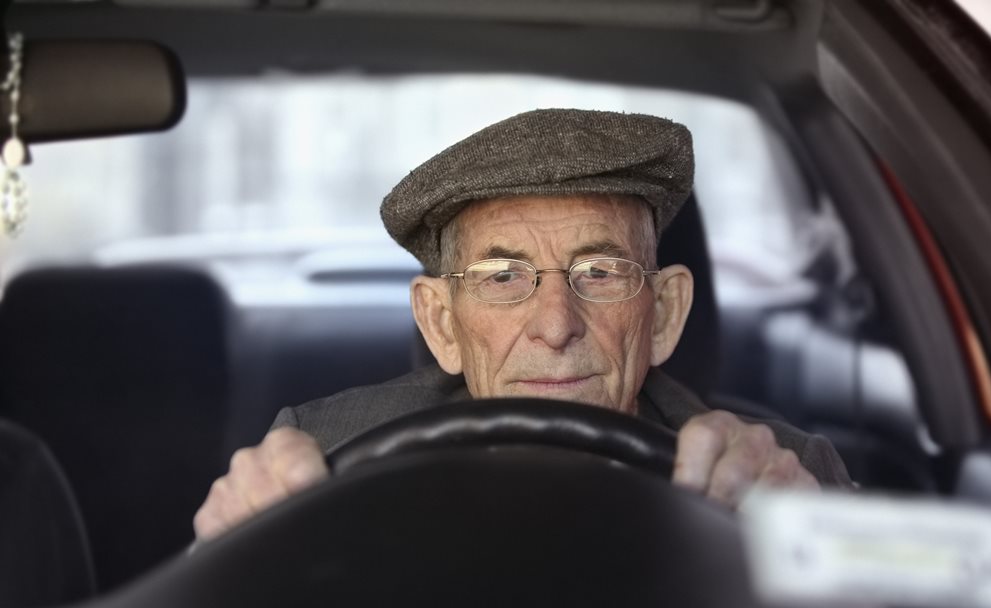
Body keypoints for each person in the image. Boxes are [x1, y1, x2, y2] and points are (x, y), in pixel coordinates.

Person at [193, 109, 853, 541]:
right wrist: (218, 559)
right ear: (442, 324)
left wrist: (812, 542)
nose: (556, 325)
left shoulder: (780, 473)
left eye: (598, 271)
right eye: (502, 278)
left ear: (666, 314)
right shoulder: (320, 456)